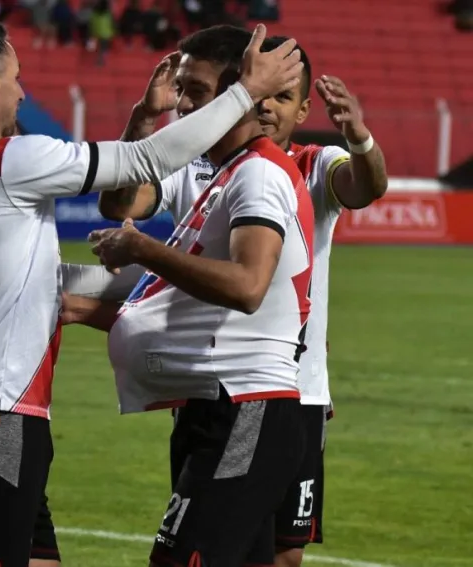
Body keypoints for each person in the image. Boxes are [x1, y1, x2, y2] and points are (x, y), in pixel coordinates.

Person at [0, 17, 303, 567]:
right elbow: (142, 164)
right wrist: (246, 92)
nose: (24, 91)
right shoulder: (10, 159)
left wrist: (140, 270)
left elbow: (39, 284)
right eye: (17, 77)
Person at [75, 36, 388, 567]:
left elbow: (364, 187)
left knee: (277, 553)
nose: (267, 107)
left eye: (283, 99)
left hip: (283, 387)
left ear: (303, 109)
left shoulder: (305, 165)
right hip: (210, 381)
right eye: (263, 95)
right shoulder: (201, 163)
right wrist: (144, 122)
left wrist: (359, 136)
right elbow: (121, 202)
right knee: (231, 542)